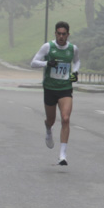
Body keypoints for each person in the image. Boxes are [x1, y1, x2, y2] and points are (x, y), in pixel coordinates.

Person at [30, 22, 79, 165]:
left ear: (68, 34)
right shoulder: (48, 47)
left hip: (65, 88)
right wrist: (47, 63)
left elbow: (77, 62)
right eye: (59, 33)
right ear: (55, 34)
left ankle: (63, 155)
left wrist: (75, 72)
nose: (61, 36)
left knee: (65, 118)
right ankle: (48, 128)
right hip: (50, 88)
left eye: (64, 34)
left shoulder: (72, 48)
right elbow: (33, 63)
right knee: (51, 120)